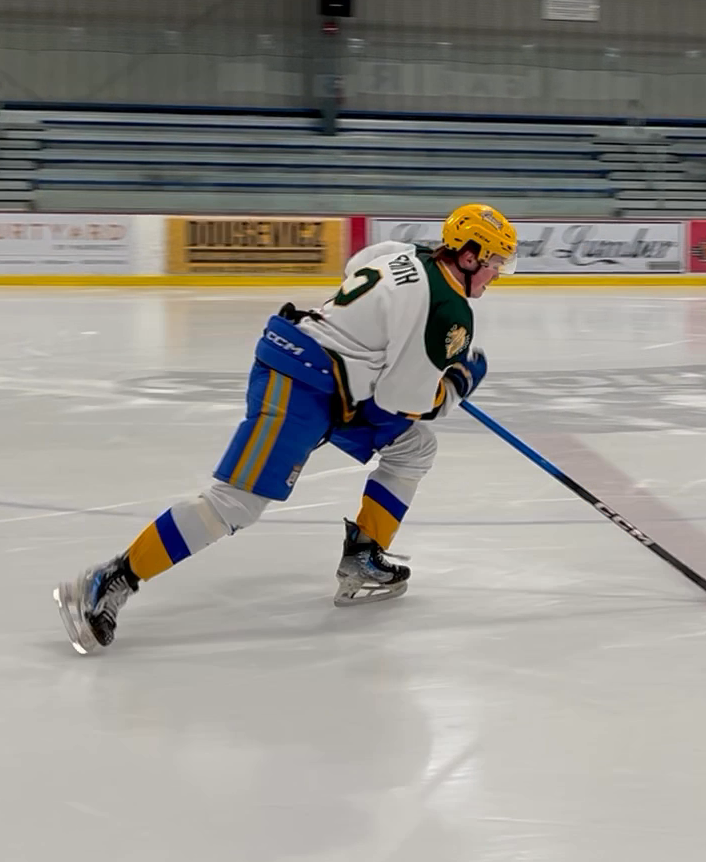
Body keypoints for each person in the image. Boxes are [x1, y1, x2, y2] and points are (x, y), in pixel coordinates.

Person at [54, 204, 518, 655]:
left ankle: (363, 557)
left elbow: (360, 264)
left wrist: (369, 336)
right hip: (299, 381)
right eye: (495, 262)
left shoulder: (410, 251)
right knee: (236, 502)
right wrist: (455, 384)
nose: (498, 273)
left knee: (413, 446)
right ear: (468, 254)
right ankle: (109, 580)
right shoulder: (449, 313)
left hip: (335, 384)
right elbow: (405, 401)